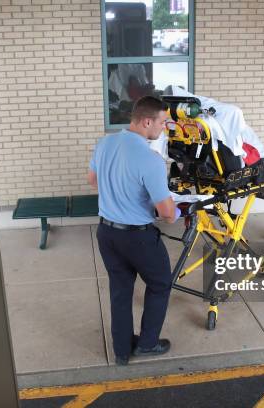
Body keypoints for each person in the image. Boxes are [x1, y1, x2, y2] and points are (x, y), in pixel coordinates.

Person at [88, 96, 181, 366]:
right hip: (137, 237)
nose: (164, 127)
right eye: (163, 122)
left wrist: (119, 189)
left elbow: (93, 180)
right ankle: (148, 344)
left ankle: (121, 351)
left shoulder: (104, 142)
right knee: (160, 283)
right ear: (147, 121)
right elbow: (166, 213)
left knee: (120, 289)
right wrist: (177, 211)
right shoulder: (150, 159)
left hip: (106, 233)